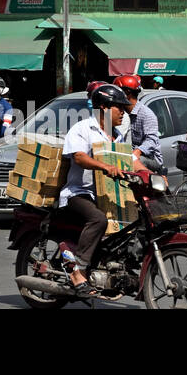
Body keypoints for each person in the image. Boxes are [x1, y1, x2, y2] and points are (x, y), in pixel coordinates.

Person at [57, 83, 130, 295]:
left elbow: (130, 160)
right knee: (98, 220)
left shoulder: (117, 136)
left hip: (104, 194)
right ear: (104, 108)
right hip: (78, 193)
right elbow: (79, 157)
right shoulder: (81, 129)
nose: (123, 113)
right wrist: (105, 166)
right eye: (120, 108)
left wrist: (151, 172)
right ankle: (78, 271)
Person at [114, 74, 163, 173]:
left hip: (150, 158)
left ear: (127, 93)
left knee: (132, 162)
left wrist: (137, 152)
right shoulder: (119, 113)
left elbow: (152, 140)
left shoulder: (146, 114)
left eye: (118, 92)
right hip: (128, 154)